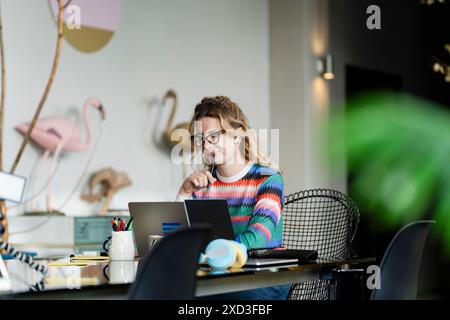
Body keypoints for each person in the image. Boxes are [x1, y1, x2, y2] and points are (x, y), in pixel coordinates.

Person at [176, 96, 290, 300]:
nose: (206, 146)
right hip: (218, 277)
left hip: (264, 279)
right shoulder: (203, 183)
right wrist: (184, 193)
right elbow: (178, 238)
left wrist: (209, 253)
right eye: (201, 139)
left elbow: (258, 238)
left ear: (237, 136)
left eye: (213, 136)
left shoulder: (268, 180)